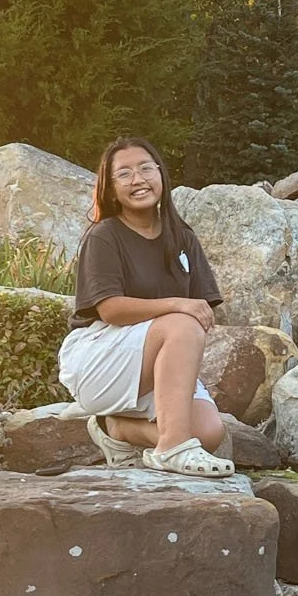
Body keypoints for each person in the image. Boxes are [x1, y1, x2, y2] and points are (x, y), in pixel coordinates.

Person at [59, 137, 235, 478]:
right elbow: (110, 309)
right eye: (124, 174)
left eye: (145, 168)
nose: (137, 179)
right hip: (98, 358)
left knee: (208, 434)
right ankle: (171, 448)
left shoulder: (182, 237)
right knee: (182, 322)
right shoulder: (104, 236)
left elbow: (202, 311)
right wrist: (176, 304)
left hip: (151, 361)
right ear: (111, 189)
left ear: (161, 175)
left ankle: (115, 429)